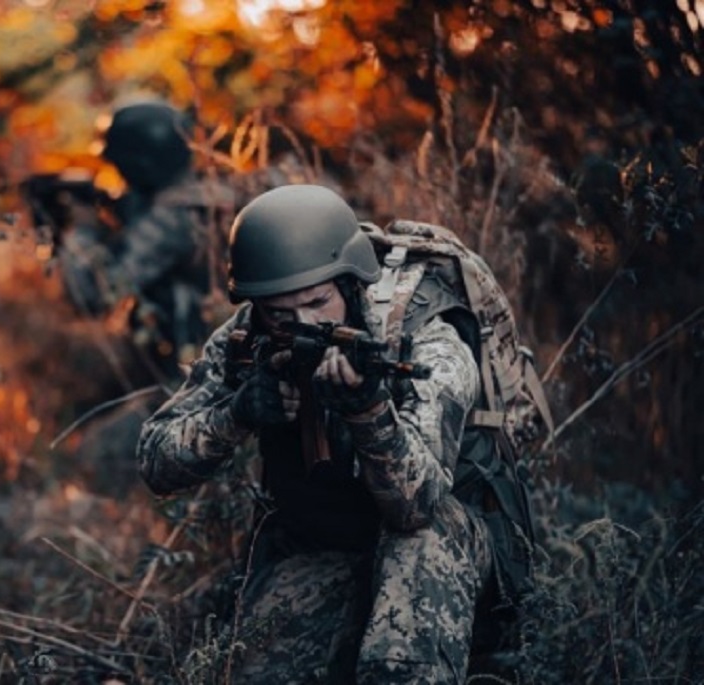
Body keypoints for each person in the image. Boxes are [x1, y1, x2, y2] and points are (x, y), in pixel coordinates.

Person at [137, 184, 522, 683]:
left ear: (349, 282)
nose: (304, 324)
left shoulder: (428, 341)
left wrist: (369, 411)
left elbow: (418, 505)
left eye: (318, 302)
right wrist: (236, 414)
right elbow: (155, 460)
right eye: (280, 313)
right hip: (324, 545)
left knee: (398, 652)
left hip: (442, 549)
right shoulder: (249, 334)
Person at [57, 99, 234, 386]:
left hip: (197, 380)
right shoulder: (206, 195)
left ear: (140, 166)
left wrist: (84, 228)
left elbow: (92, 295)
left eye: (121, 168)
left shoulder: (172, 219)